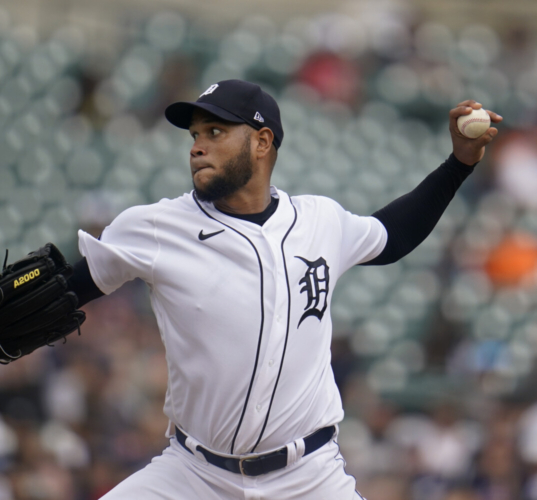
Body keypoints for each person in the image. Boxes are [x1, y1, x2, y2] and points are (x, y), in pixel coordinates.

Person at [65, 79, 502, 499]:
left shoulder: (319, 221)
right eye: (195, 134)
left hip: (308, 478)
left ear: (262, 141)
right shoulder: (157, 226)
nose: (197, 146)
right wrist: (1, 323)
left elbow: (393, 235)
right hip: (192, 476)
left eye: (215, 132)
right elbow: (67, 291)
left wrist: (458, 165)